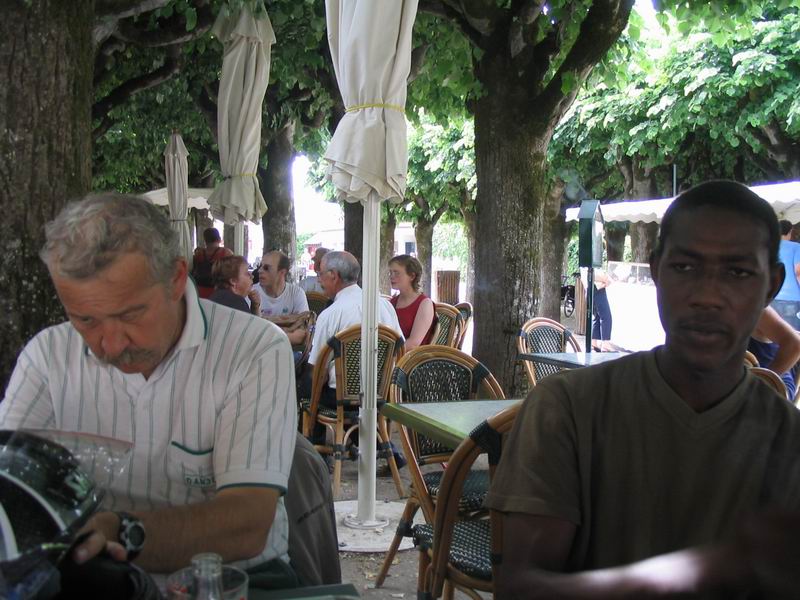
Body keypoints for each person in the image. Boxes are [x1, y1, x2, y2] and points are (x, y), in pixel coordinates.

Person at [485, 180, 800, 598]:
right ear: (656, 271)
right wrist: (706, 570)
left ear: (771, 286)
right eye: (684, 267)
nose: (708, 296)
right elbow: (521, 588)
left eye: (737, 273)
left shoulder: (788, 443)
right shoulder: (566, 410)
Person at [0, 194, 298, 588]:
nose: (110, 345)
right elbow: (8, 490)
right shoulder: (48, 355)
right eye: (85, 320)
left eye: (130, 315)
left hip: (235, 578)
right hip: (91, 581)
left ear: (176, 278)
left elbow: (246, 524)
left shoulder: (254, 348)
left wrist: (121, 531)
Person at [253, 250, 310, 346]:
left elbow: (302, 335)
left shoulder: (296, 293)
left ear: (282, 273)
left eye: (266, 268)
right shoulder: (251, 293)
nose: (260, 271)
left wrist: (266, 337)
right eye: (260, 266)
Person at [748, 305, 800, 399]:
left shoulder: (754, 307)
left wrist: (765, 380)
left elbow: (795, 344)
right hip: (739, 379)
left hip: (774, 384)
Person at [388, 254, 436, 350]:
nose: (391, 276)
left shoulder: (424, 304)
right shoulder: (391, 302)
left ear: (412, 276)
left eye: (396, 273)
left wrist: (389, 355)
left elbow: (413, 344)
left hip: (413, 357)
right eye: (390, 272)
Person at [771, 219, 800, 330]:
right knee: (792, 334)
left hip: (772, 297)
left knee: (775, 334)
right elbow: (798, 272)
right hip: (791, 299)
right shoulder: (796, 247)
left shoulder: (769, 247)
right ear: (790, 231)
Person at [191, 227, 233, 299]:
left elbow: (194, 270)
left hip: (199, 290)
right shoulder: (226, 253)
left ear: (205, 240)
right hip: (218, 292)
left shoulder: (198, 254)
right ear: (219, 239)